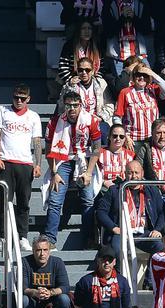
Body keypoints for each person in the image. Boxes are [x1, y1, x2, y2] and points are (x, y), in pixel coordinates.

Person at [42, 90, 101, 246]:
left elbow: (96, 149)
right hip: (63, 160)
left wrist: (88, 172)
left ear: (81, 105)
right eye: (69, 105)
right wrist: (54, 172)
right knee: (55, 200)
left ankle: (88, 239)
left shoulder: (91, 120)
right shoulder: (54, 122)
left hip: (84, 160)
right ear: (64, 106)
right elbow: (48, 149)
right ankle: (50, 239)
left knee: (88, 200)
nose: (72, 109)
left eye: (75, 105)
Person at [0, 83, 43, 247]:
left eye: (22, 98)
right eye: (16, 97)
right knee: (5, 202)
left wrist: (37, 164)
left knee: (23, 202)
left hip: (25, 163)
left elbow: (37, 142)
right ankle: (3, 237)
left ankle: (22, 237)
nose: (19, 101)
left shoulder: (34, 116)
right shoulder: (2, 111)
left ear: (28, 98)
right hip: (5, 162)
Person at [21, 238, 70, 308]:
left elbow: (65, 286)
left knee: (65, 299)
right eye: (38, 250)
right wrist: (35, 292)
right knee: (23, 299)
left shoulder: (57, 262)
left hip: (52, 299)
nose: (42, 254)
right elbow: (22, 288)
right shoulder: (25, 262)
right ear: (33, 251)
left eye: (45, 250)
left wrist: (50, 292)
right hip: (33, 300)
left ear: (49, 251)